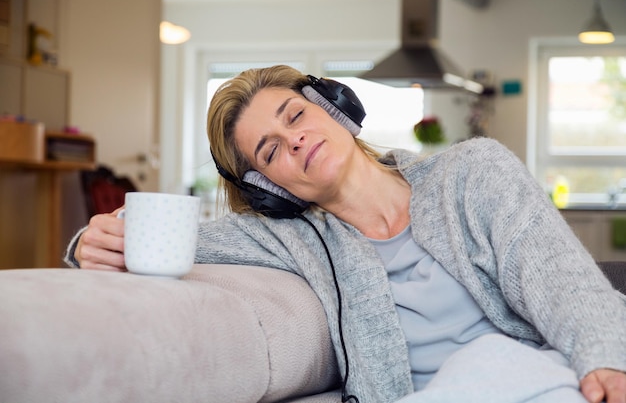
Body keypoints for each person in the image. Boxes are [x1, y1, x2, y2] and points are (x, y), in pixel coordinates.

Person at [66, 65, 626, 403]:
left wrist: (604, 359)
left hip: (527, 379)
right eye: (269, 150)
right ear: (267, 186)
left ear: (332, 106)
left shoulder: (473, 172)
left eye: (294, 115)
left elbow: (564, 281)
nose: (294, 141)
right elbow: (173, 234)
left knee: (491, 360)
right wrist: (90, 241)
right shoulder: (287, 238)